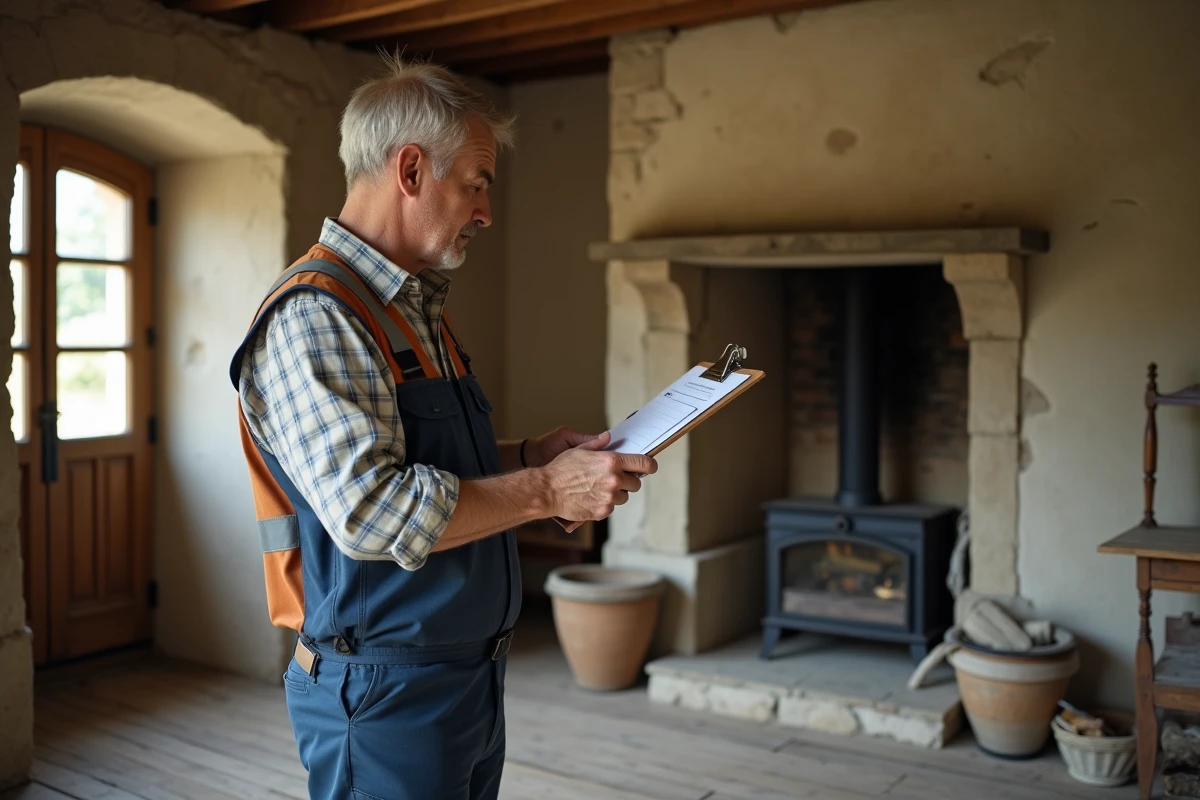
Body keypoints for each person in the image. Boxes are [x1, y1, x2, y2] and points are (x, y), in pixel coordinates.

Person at [229, 54, 656, 800]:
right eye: (478, 182)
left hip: (461, 680)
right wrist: (548, 489)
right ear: (413, 169)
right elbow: (372, 511)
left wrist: (529, 455)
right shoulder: (318, 317)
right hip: (384, 692)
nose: (487, 210)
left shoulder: (410, 308)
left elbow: (426, 460)